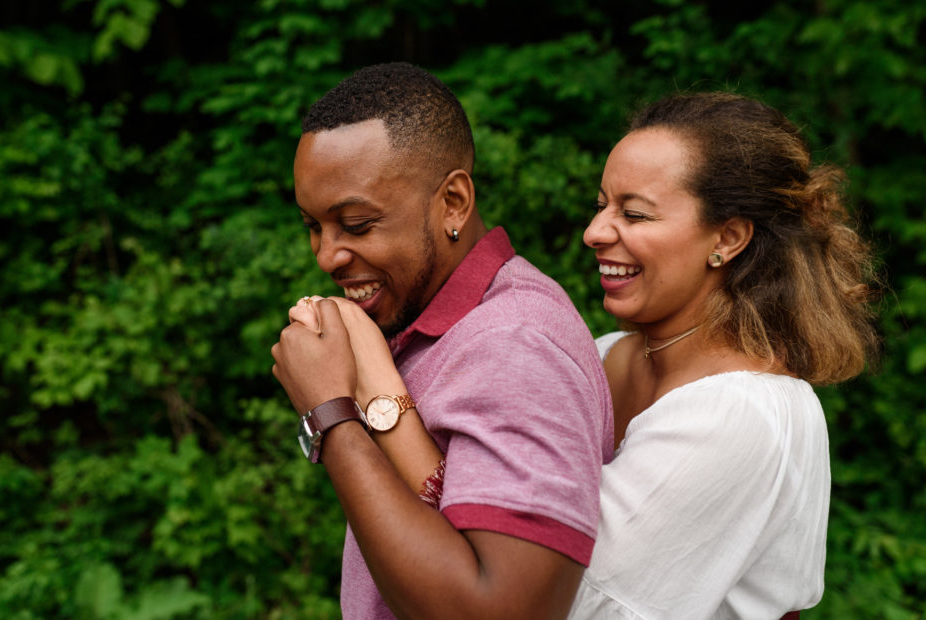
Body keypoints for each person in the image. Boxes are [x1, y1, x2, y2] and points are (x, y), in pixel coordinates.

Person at [294, 91, 879, 619]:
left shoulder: (746, 416)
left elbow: (561, 602)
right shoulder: (601, 357)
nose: (595, 231)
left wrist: (368, 399)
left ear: (726, 239)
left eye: (635, 213)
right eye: (602, 205)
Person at [270, 62, 614, 619]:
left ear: (453, 202)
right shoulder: (425, 325)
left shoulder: (516, 344)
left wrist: (329, 414)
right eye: (313, 225)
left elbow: (498, 609)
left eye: (356, 225)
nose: (326, 255)